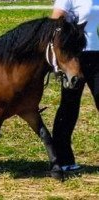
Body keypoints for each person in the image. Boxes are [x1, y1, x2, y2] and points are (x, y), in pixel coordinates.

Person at [51, 0, 99, 171]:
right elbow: (55, 21)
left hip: (97, 56)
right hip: (75, 57)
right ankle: (63, 159)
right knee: (69, 107)